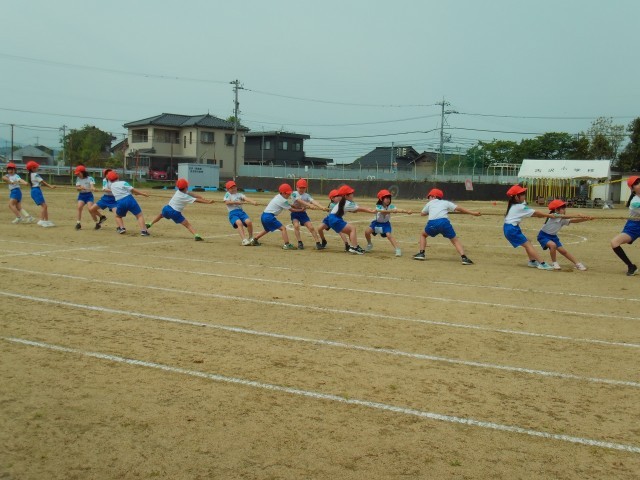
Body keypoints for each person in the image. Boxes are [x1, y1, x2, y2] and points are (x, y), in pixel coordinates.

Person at [502, 184, 567, 271]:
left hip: (511, 228)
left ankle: (532, 261)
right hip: (511, 229)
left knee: (528, 242)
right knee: (528, 245)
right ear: (516, 197)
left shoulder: (514, 205)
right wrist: (549, 215)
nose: (524, 196)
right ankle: (542, 263)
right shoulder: (520, 207)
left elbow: (534, 214)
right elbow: (536, 212)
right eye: (522, 194)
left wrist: (541, 215)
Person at [413, 188, 480, 264]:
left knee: (423, 235)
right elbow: (459, 208)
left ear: (434, 196)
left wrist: (430, 212)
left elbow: (422, 214)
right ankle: (464, 258)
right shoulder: (445, 203)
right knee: (455, 240)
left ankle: (421, 253)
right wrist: (472, 213)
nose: (428, 199)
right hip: (444, 223)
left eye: (429, 197)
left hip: (433, 223)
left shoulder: (429, 203)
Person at [145, 178, 214, 241]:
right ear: (186, 187)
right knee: (188, 225)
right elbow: (196, 200)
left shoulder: (179, 191)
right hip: (175, 213)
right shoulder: (185, 197)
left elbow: (193, 195)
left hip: (167, 209)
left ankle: (150, 224)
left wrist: (201, 197)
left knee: (161, 215)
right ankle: (196, 235)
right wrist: (208, 202)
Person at [537, 199, 593, 270]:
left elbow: (574, 221)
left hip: (553, 237)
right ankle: (554, 263)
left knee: (563, 251)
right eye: (562, 209)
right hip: (543, 236)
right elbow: (567, 217)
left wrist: (586, 219)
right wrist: (578, 215)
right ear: (556, 210)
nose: (564, 210)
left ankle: (577, 264)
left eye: (564, 209)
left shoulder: (562, 219)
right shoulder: (553, 215)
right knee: (552, 245)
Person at [323, 184, 376, 255]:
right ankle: (355, 248)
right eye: (351, 193)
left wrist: (368, 209)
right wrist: (371, 211)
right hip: (334, 219)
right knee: (352, 229)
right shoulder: (347, 203)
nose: (352, 195)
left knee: (349, 232)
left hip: (332, 219)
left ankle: (355, 246)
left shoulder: (344, 202)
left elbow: (356, 209)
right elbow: (360, 208)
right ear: (346, 196)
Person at [250, 183, 304, 249]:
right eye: (287, 193)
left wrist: (293, 205)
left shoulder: (278, 196)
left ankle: (254, 240)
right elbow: (292, 210)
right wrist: (301, 210)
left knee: (267, 229)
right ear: (283, 193)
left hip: (264, 215)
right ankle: (287, 244)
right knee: (283, 228)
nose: (289, 195)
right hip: (269, 217)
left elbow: (287, 204)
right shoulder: (283, 200)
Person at [364, 189, 412, 257]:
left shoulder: (391, 206)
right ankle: (369, 244)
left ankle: (397, 249)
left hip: (386, 224)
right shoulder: (378, 206)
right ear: (381, 199)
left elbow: (398, 209)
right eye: (386, 198)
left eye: (389, 198)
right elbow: (383, 212)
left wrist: (406, 211)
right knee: (367, 232)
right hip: (376, 223)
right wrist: (391, 211)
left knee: (389, 235)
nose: (388, 200)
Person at [105, 170, 151, 236]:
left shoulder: (111, 186)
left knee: (118, 216)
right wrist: (143, 194)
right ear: (117, 176)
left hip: (120, 202)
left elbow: (125, 192)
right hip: (129, 199)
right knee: (139, 216)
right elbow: (132, 190)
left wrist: (135, 193)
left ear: (109, 180)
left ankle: (122, 228)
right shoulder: (123, 182)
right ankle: (144, 231)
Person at [611, 175, 640, 276]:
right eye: (636, 184)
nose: (639, 184)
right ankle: (631, 266)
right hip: (634, 225)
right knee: (614, 243)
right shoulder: (635, 202)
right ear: (632, 189)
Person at [289, 178, 327, 250]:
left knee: (311, 227)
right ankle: (300, 242)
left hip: (303, 214)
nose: (302, 189)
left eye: (303, 188)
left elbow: (313, 201)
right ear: (296, 187)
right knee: (296, 226)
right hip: (295, 213)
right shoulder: (294, 194)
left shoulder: (307, 195)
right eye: (300, 187)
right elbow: (299, 201)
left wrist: (321, 207)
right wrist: (309, 205)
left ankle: (318, 243)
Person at [223, 180, 259, 245]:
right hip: (233, 213)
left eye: (234, 187)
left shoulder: (239, 194)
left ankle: (250, 238)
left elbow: (246, 198)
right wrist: (236, 202)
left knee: (249, 222)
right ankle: (244, 240)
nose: (234, 189)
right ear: (228, 189)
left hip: (241, 212)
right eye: (231, 188)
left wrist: (252, 201)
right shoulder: (227, 194)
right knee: (239, 223)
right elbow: (227, 202)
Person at [26, 161, 56, 227]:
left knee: (44, 206)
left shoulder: (30, 175)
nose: (37, 168)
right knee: (44, 206)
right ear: (32, 168)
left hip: (35, 190)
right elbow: (43, 182)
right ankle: (42, 221)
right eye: (36, 167)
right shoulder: (35, 174)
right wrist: (50, 186)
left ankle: (46, 221)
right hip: (36, 191)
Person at [74, 165, 99, 230]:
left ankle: (97, 223)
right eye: (77, 174)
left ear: (83, 172)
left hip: (89, 195)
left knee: (90, 209)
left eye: (78, 173)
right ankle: (78, 223)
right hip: (81, 195)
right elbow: (77, 188)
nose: (77, 175)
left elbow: (92, 186)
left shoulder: (90, 178)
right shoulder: (78, 179)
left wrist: (93, 188)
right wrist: (80, 188)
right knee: (79, 207)